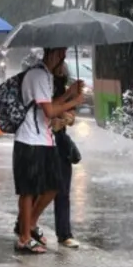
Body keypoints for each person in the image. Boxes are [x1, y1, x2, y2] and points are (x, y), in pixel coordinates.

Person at [12, 47, 84, 254]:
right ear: (52, 54)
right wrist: (75, 101)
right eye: (61, 54)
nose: (63, 59)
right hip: (29, 139)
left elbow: (51, 104)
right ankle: (24, 238)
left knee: (54, 185)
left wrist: (70, 94)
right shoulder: (38, 75)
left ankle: (31, 224)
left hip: (45, 139)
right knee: (28, 190)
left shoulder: (46, 76)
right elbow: (49, 110)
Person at [49, 62, 81, 248]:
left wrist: (69, 116)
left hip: (60, 142)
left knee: (63, 190)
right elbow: (47, 111)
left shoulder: (62, 84)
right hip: (41, 141)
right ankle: (25, 225)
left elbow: (69, 116)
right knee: (40, 190)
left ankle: (64, 233)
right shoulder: (41, 82)